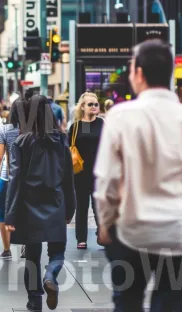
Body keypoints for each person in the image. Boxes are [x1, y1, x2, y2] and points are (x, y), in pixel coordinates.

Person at [94, 39, 182, 312]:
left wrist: (105, 224)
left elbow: (107, 181)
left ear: (139, 73)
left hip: (131, 233)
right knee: (170, 305)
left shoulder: (119, 117)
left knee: (127, 303)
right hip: (178, 235)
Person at [5, 95, 76, 311]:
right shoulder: (61, 140)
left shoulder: (21, 141)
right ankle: (51, 275)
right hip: (56, 201)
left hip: (29, 204)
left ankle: (34, 300)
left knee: (32, 256)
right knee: (57, 251)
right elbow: (68, 178)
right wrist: (71, 208)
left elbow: (15, 179)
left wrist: (10, 214)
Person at [68, 92, 104, 249]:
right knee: (82, 206)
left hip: (99, 171)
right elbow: (67, 149)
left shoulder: (102, 124)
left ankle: (102, 235)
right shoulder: (75, 127)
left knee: (99, 206)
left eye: (96, 104)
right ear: (82, 107)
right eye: (90, 104)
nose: (94, 107)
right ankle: (81, 238)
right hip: (80, 172)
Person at [0, 98, 24, 260]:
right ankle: (27, 244)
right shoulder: (31, 130)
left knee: (2, 214)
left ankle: (6, 249)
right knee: (26, 211)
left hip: (6, 177)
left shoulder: (4, 130)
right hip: (26, 178)